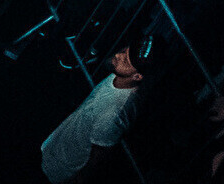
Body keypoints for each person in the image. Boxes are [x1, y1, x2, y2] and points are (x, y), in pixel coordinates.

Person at [39, 41, 149, 180]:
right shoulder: (119, 76)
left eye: (126, 61)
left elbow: (97, 157)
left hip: (60, 168)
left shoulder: (114, 112)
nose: (118, 55)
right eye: (124, 51)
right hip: (53, 148)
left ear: (137, 76)